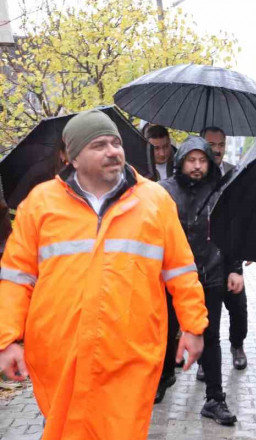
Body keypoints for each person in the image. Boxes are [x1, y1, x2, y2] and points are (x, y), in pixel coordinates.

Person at [0, 110, 207, 439]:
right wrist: (7, 339)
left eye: (116, 143)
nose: (113, 151)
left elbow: (181, 270)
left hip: (130, 352)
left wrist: (194, 326)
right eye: (99, 145)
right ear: (73, 157)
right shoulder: (40, 204)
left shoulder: (154, 201)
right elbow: (16, 276)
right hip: (59, 354)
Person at [157, 136, 242, 425]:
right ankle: (163, 377)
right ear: (180, 161)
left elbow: (230, 234)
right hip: (169, 279)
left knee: (211, 337)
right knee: (166, 332)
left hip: (210, 275)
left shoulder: (220, 192)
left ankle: (215, 399)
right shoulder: (162, 192)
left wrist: (235, 269)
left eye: (202, 160)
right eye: (191, 160)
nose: (196, 166)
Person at [199, 126, 248, 369]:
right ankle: (205, 361)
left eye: (221, 145)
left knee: (238, 307)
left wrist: (238, 263)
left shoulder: (232, 173)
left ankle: (237, 344)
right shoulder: (194, 175)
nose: (217, 150)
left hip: (230, 253)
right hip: (204, 257)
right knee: (208, 314)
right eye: (212, 145)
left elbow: (241, 215)